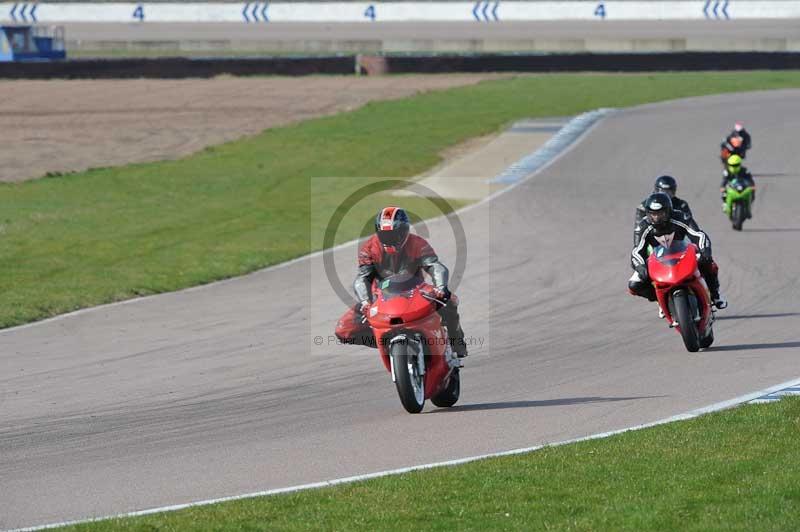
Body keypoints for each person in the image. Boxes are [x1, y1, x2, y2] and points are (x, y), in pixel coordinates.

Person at [335, 206, 468, 357]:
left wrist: (441, 287)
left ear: (404, 231)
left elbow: (435, 266)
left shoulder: (418, 243)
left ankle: (457, 344)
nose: (390, 239)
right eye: (385, 235)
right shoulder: (370, 248)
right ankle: (388, 343)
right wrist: (365, 301)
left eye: (394, 234)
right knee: (343, 330)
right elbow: (362, 278)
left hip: (415, 291)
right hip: (380, 298)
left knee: (449, 301)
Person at [629, 192, 727, 310]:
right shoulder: (642, 226)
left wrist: (705, 251)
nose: (656, 217)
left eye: (661, 213)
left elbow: (699, 235)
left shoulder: (681, 217)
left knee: (709, 263)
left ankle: (716, 295)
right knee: (634, 285)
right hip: (657, 259)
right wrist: (641, 267)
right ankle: (660, 300)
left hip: (684, 252)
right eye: (653, 214)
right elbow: (636, 250)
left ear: (669, 211)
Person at [634, 175, 698, 245]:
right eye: (663, 191)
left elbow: (690, 225)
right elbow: (639, 228)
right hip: (654, 237)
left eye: (669, 192)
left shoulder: (682, 205)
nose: (666, 195)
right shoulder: (644, 206)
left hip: (676, 238)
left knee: (691, 245)